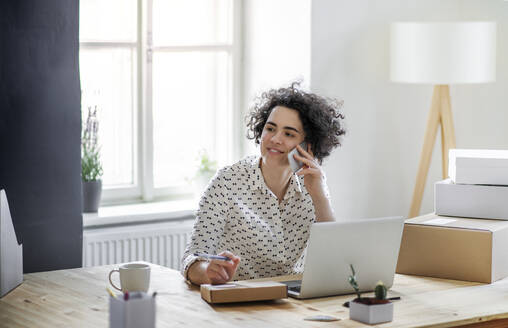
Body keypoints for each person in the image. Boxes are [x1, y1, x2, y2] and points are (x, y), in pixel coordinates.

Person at [181, 82, 345, 285]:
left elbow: (332, 254)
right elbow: (191, 260)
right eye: (270, 128)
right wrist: (209, 272)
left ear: (307, 145)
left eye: (289, 133)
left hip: (294, 301)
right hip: (241, 300)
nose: (275, 139)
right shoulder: (227, 182)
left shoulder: (312, 181)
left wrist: (319, 194)